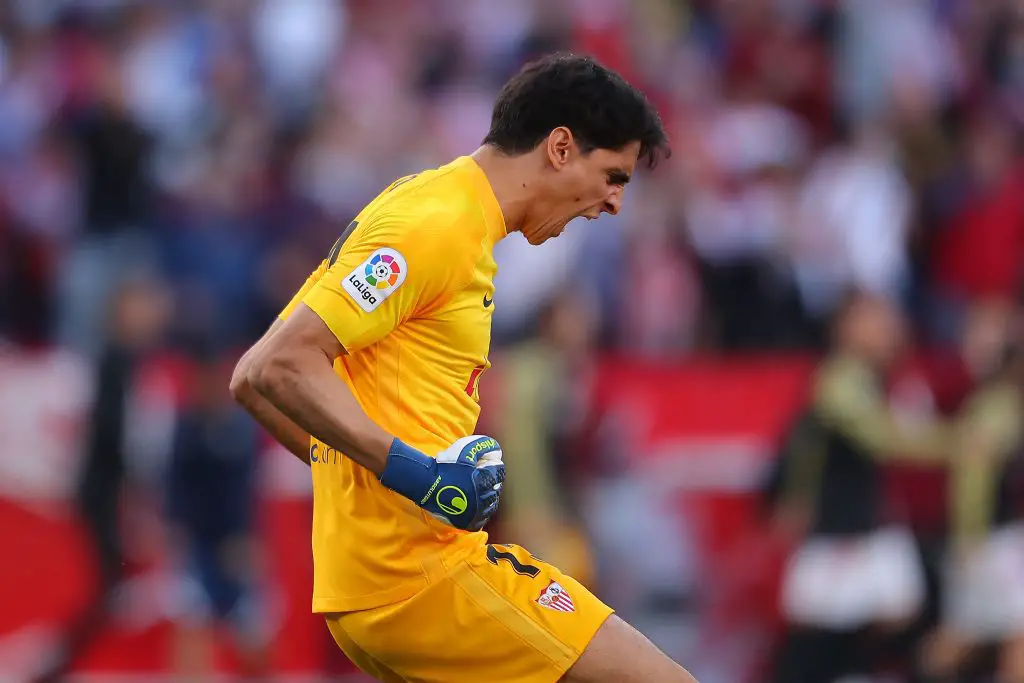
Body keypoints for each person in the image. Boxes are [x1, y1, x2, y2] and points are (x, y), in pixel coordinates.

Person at [230, 53, 697, 682]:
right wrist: (413, 473)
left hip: (386, 590)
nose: (613, 203)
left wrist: (373, 477)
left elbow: (257, 381)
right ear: (560, 147)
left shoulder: (436, 212)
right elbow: (274, 368)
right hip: (424, 584)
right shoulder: (436, 225)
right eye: (612, 175)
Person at [764, 292, 952, 683]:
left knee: (902, 618)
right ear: (844, 327)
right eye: (875, 319)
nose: (888, 328)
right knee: (817, 639)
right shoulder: (839, 379)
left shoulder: (880, 377)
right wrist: (962, 442)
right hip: (836, 530)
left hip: (867, 526)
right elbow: (881, 438)